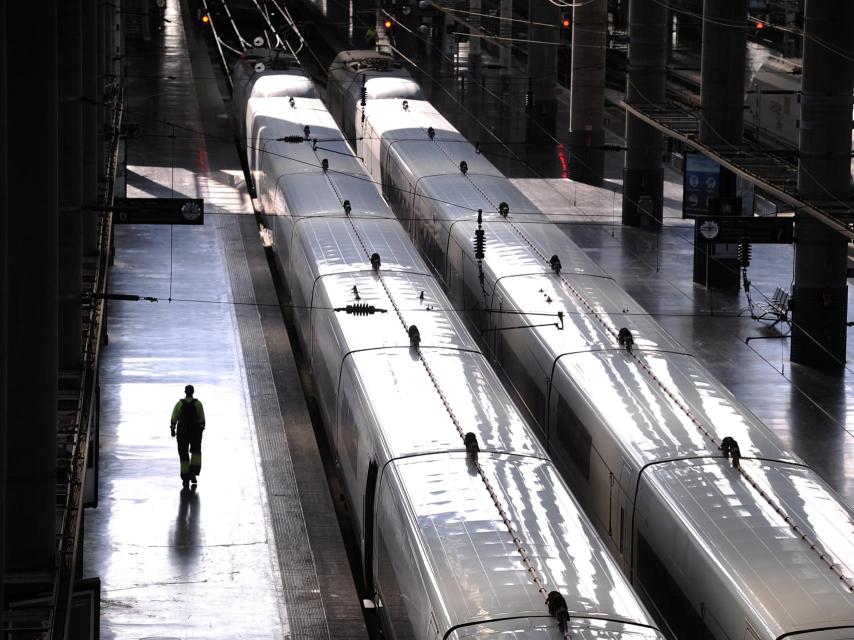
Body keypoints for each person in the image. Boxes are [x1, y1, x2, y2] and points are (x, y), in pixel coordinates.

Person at [169, 384, 206, 490]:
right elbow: (202, 420)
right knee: (195, 453)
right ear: (193, 392)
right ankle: (193, 474)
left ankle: (185, 479)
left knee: (183, 454)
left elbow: (174, 417)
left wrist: (172, 429)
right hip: (195, 432)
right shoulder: (198, 404)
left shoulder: (179, 404)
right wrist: (200, 431)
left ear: (185, 392)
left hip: (182, 433)